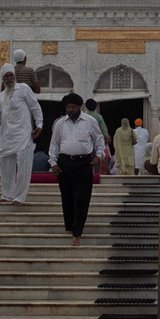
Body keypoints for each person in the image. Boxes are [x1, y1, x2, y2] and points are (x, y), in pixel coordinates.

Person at [0, 63, 43, 205]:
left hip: (23, 136)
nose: (9, 78)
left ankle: (19, 198)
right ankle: (7, 195)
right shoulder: (1, 96)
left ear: (14, 76)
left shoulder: (24, 89)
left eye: (11, 75)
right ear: (2, 79)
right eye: (6, 76)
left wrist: (39, 125)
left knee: (23, 168)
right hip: (7, 137)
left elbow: (36, 108)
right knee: (5, 165)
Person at [49, 91, 105, 244]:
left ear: (80, 107)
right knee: (67, 197)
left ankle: (77, 232)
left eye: (73, 107)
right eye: (68, 107)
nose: (71, 109)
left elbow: (99, 140)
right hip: (64, 164)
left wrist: (98, 156)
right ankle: (70, 227)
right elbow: (54, 144)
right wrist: (53, 163)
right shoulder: (60, 123)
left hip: (83, 164)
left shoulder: (89, 121)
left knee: (82, 198)